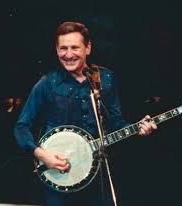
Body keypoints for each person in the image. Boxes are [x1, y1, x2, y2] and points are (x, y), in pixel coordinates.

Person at [14, 21, 157, 206]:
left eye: (75, 47)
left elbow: (116, 122)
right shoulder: (47, 83)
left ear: (88, 48)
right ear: (56, 50)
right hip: (60, 179)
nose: (68, 54)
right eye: (63, 48)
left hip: (98, 176)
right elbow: (21, 126)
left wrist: (137, 128)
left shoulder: (105, 79)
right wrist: (42, 155)